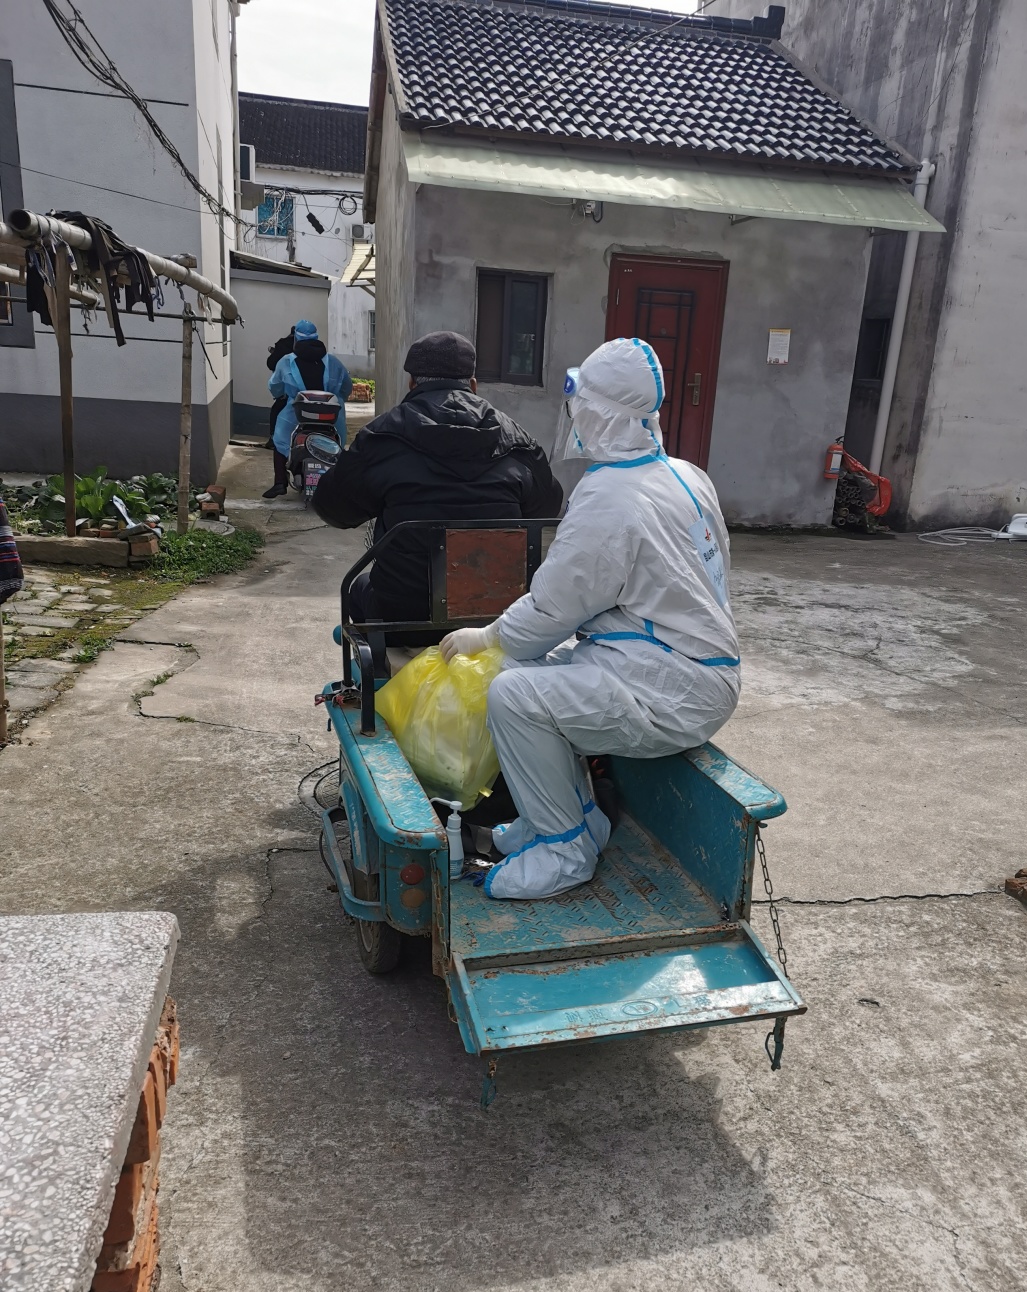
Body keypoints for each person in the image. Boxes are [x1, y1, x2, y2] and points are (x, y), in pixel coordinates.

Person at [439, 336, 741, 901]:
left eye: (580, 406)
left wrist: (490, 635)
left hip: (672, 686)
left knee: (515, 695)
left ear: (600, 413)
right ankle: (572, 819)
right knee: (534, 674)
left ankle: (565, 850)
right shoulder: (685, 473)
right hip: (680, 665)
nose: (574, 418)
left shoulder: (610, 496)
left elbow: (555, 606)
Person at [312, 331, 563, 645]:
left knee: (358, 589)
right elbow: (547, 507)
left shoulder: (381, 437)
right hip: (496, 618)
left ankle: (374, 670)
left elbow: (334, 509)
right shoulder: (518, 439)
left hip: (403, 617)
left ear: (412, 384)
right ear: (473, 385)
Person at [263, 320, 352, 499]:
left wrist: (282, 394)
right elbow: (346, 387)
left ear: (296, 338)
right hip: (330, 415)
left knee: (280, 438)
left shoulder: (286, 361)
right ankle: (336, 481)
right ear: (316, 338)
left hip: (298, 414)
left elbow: (275, 387)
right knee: (337, 443)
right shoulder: (333, 361)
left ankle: (280, 482)